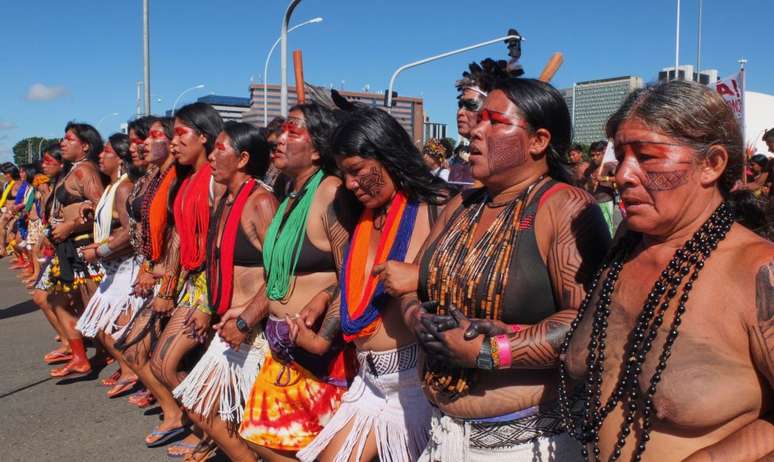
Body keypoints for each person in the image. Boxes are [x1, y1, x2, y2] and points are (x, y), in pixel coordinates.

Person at [559, 80, 774, 461]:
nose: (622, 175)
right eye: (622, 155)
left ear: (712, 164)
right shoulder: (625, 244)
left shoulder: (758, 270)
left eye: (647, 156)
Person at [402, 72, 610, 461]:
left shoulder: (565, 206)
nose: (475, 131)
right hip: (443, 432)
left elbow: (589, 324)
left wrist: (488, 352)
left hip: (526, 444)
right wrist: (416, 318)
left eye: (494, 122)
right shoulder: (462, 204)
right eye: (478, 119)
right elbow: (416, 281)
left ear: (538, 141)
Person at [297, 106, 450, 462]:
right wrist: (326, 295)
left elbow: (473, 282)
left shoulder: (437, 206)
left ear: (387, 153)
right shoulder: (359, 214)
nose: (350, 184)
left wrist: (422, 276)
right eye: (343, 174)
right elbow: (362, 284)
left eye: (357, 171)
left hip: (417, 386)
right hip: (368, 381)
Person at [238, 102, 357, 462]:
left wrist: (323, 306)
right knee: (263, 436)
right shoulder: (291, 193)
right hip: (283, 347)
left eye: (294, 130)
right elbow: (278, 272)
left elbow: (353, 271)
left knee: (301, 447)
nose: (279, 138)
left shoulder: (330, 192)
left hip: (319, 352)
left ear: (318, 148)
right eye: (281, 130)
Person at [172, 121, 277, 462]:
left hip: (256, 333)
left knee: (258, 425)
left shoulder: (261, 202)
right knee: (198, 404)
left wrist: (246, 320)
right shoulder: (226, 198)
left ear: (243, 158)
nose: (212, 156)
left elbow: (280, 275)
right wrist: (205, 305)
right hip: (228, 326)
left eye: (221, 148)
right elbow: (214, 263)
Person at [144, 102, 224, 449]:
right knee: (163, 364)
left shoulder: (217, 180)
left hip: (213, 287)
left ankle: (212, 434)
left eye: (180, 134)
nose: (174, 143)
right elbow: (178, 236)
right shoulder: (186, 179)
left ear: (204, 137)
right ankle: (208, 430)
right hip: (191, 284)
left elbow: (224, 241)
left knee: (169, 362)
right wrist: (167, 286)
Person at [74, 133, 143, 398]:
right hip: (113, 268)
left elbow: (130, 231)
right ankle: (130, 371)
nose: (100, 156)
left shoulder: (124, 187)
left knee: (117, 329)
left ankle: (134, 372)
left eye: (107, 152)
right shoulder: (114, 187)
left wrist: (101, 248)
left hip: (125, 267)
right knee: (103, 330)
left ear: (121, 159)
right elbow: (118, 221)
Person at [47, 122, 106, 378]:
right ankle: (95, 356)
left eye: (69, 139)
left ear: (85, 146)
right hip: (70, 247)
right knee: (68, 302)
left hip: (83, 247)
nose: (62, 142)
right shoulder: (75, 171)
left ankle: (126, 366)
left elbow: (103, 209)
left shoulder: (85, 172)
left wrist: (70, 226)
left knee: (94, 306)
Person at [584, 140, 620, 235]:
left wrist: (605, 178)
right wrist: (590, 183)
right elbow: (586, 184)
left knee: (607, 229)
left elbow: (619, 178)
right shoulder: (590, 168)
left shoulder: (609, 165)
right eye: (592, 155)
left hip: (605, 201)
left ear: (604, 154)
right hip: (592, 202)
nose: (594, 158)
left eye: (597, 154)